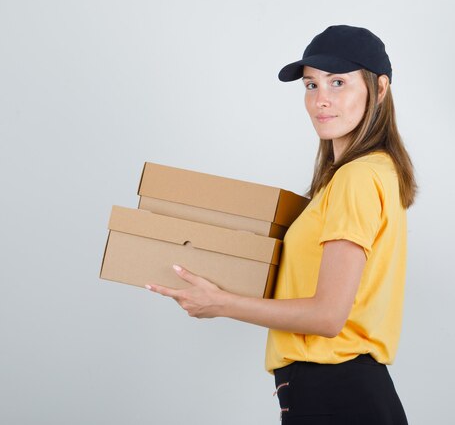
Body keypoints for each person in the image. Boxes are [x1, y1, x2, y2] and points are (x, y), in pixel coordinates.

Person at [146, 24, 417, 424]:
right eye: (311, 86)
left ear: (380, 88)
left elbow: (328, 316)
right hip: (341, 393)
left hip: (337, 394)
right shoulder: (365, 174)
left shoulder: (357, 177)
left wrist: (220, 303)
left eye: (338, 83)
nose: (321, 101)